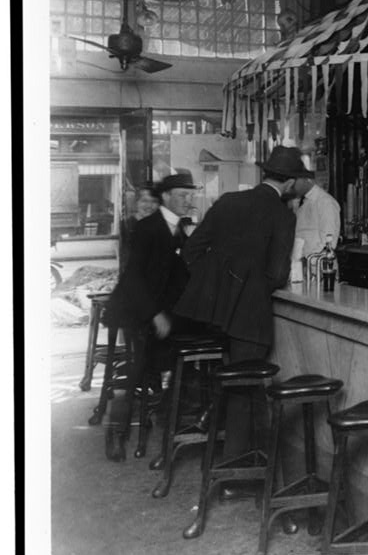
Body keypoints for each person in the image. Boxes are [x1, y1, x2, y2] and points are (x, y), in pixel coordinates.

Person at [173, 146, 300, 468]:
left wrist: (217, 286)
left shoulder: (229, 201)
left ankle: (213, 424)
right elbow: (276, 274)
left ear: (264, 173)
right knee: (245, 387)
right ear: (289, 183)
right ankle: (235, 468)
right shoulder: (282, 214)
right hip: (248, 317)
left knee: (236, 381)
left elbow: (191, 250)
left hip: (211, 315)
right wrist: (248, 288)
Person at [103, 170, 199, 461]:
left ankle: (172, 413)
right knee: (137, 370)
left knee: (190, 356)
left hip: (162, 312)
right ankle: (116, 434)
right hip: (137, 311)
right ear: (166, 197)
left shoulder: (181, 230)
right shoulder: (148, 228)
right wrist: (155, 314)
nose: (188, 201)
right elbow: (133, 279)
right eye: (182, 195)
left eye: (191, 196)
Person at [291, 170, 341, 258]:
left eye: (294, 180)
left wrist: (307, 263)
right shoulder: (304, 202)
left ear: (306, 179)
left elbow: (328, 245)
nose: (291, 185)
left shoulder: (325, 202)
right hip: (304, 265)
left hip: (318, 268)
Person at [118, 182, 159, 272]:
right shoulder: (127, 226)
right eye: (144, 201)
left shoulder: (159, 226)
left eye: (154, 201)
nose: (149, 206)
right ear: (136, 203)